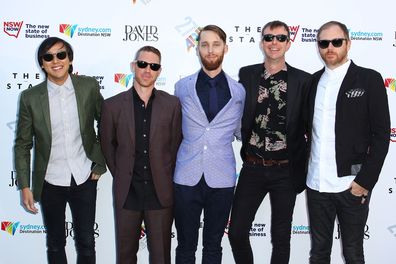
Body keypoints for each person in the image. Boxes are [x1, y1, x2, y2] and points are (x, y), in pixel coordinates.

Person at [14, 37, 107, 264]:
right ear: (42, 64)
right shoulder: (29, 98)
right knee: (55, 243)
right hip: (49, 182)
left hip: (84, 176)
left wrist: (101, 162)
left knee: (86, 241)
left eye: (61, 55)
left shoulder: (89, 87)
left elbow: (107, 124)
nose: (56, 61)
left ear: (70, 59)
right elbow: (23, 144)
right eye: (48, 57)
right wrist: (25, 185)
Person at [227, 20, 312, 264]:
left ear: (288, 42)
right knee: (236, 232)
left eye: (280, 38)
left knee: (281, 237)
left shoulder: (302, 81)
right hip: (252, 166)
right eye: (269, 37)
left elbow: (309, 128)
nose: (274, 43)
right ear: (262, 41)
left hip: (286, 169)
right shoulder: (247, 74)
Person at [306, 21, 390, 264]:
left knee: (353, 253)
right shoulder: (312, 82)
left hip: (351, 185)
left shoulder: (369, 79)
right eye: (323, 43)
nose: (329, 47)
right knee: (319, 253)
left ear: (348, 43)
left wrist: (365, 181)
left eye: (336, 42)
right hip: (316, 184)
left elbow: (382, 135)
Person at [100, 46, 182, 264]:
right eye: (142, 64)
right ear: (133, 66)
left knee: (161, 257)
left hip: (160, 193)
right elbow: (108, 147)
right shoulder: (112, 106)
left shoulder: (172, 105)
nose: (147, 70)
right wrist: (122, 174)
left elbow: (175, 146)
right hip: (128, 193)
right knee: (125, 257)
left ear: (159, 71)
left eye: (153, 66)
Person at [173, 25, 245, 264]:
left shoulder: (239, 92)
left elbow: (239, 131)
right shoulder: (182, 88)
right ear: (197, 49)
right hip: (186, 177)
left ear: (226, 48)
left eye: (216, 44)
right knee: (185, 246)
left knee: (213, 246)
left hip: (222, 178)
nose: (210, 50)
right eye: (204, 45)